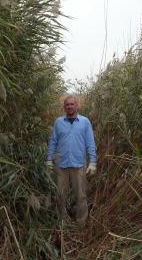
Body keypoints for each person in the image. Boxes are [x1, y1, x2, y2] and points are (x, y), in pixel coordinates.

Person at [45, 95, 97, 224]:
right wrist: (49, 159)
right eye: (67, 104)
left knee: (81, 195)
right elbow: (53, 141)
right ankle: (62, 220)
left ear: (77, 105)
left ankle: (81, 222)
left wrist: (93, 162)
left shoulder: (85, 122)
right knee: (61, 195)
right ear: (64, 107)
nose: (69, 106)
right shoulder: (58, 122)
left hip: (79, 164)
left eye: (72, 104)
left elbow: (90, 142)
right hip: (61, 165)